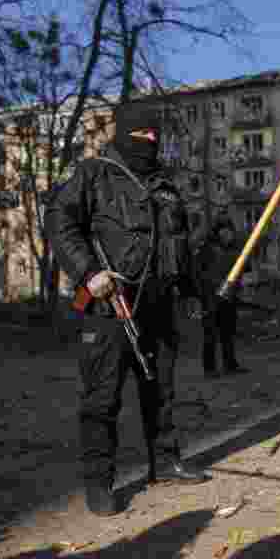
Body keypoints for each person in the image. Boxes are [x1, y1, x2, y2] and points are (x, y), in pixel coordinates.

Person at [45, 99, 211, 518]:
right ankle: (100, 483)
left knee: (161, 390)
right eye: (142, 133)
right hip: (108, 305)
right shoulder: (93, 173)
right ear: (123, 133)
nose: (150, 140)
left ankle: (166, 461)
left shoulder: (165, 185)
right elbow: (59, 221)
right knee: (102, 398)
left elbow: (179, 243)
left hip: (158, 305)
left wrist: (189, 291)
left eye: (155, 134)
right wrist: (87, 272)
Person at [195, 220, 249, 378]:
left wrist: (237, 289)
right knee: (210, 334)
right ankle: (209, 368)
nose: (228, 235)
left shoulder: (234, 250)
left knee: (228, 333)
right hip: (210, 297)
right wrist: (201, 295)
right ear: (218, 233)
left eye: (230, 231)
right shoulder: (207, 249)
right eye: (224, 231)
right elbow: (197, 272)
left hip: (228, 297)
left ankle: (230, 364)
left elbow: (239, 272)